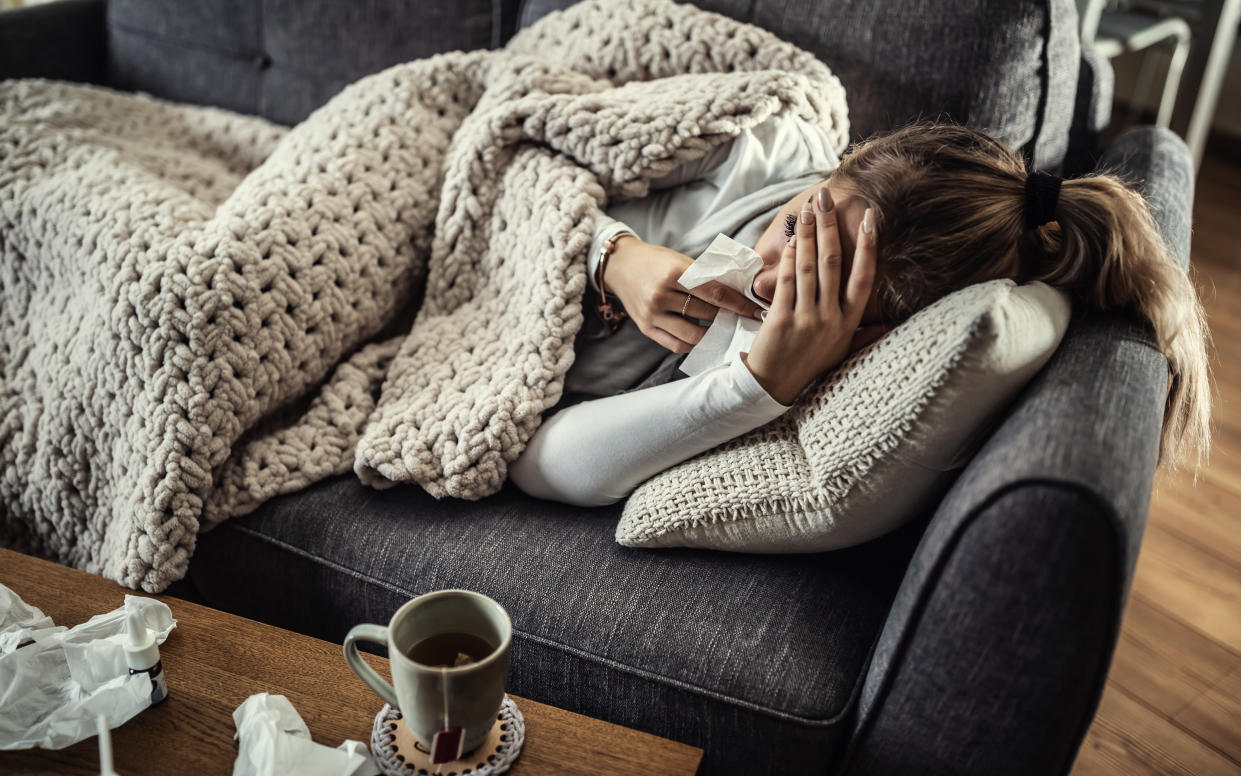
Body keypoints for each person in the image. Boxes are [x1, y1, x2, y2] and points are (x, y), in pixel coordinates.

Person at [508, 120, 1211, 506]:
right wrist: (613, 252)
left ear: (872, 332)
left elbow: (535, 464)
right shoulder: (757, 150)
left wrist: (751, 386)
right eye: (793, 232)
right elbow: (521, 152)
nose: (769, 277)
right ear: (837, 166)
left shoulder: (787, 379)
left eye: (818, 280)